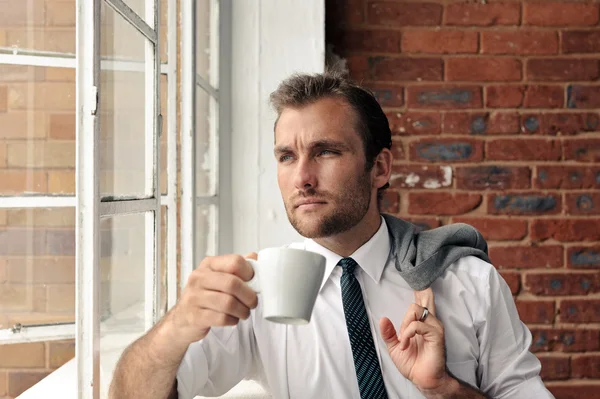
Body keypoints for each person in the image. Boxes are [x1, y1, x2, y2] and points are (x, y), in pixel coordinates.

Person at [109, 72, 554, 399]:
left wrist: (445, 390)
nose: (302, 178)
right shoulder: (256, 291)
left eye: (325, 151)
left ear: (379, 168)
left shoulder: (467, 282)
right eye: (287, 156)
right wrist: (177, 326)